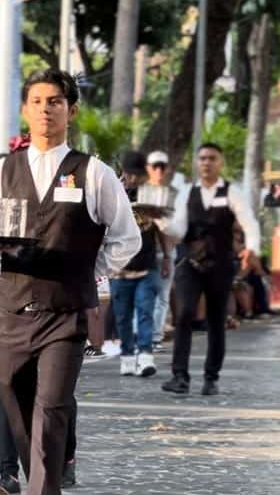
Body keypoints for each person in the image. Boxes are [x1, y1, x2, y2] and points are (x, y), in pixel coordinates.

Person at [0, 67, 140, 495]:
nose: (46, 109)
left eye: (56, 101)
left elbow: (126, 238)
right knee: (20, 419)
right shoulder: (2, 171)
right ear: (26, 109)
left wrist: (89, 272)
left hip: (66, 315)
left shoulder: (92, 173)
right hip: (11, 312)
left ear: (71, 110)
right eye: (38, 100)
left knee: (50, 417)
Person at [157, 143, 259, 396]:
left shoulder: (232, 192)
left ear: (220, 162)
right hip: (190, 264)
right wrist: (160, 221)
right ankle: (179, 376)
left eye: (212, 158)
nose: (206, 163)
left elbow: (249, 222)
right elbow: (179, 231)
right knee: (184, 315)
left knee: (216, 321)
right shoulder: (186, 192)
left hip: (220, 265)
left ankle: (211, 378)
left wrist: (252, 248)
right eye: (202, 158)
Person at [110, 150, 167, 377]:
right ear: (123, 173)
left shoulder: (152, 196)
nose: (132, 179)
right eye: (129, 174)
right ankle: (126, 355)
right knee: (122, 317)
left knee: (145, 312)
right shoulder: (113, 194)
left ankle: (145, 356)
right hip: (119, 269)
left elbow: (162, 229)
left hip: (147, 265)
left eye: (137, 175)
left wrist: (168, 258)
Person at [145, 150, 185, 350]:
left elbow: (178, 228)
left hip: (166, 251)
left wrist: (169, 255)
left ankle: (154, 336)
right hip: (143, 252)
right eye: (155, 166)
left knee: (162, 296)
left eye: (163, 166)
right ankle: (142, 336)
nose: (159, 170)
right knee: (144, 295)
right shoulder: (142, 192)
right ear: (149, 169)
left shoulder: (175, 195)